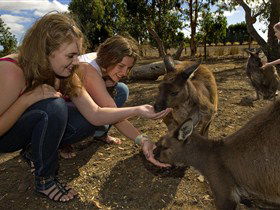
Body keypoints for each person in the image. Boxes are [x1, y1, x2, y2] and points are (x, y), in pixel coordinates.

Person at [0, 13, 171, 203]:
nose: (77, 62)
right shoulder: (12, 71)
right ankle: (45, 179)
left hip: (27, 128)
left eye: (78, 54)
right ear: (47, 50)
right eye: (71, 55)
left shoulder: (66, 73)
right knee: (54, 106)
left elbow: (96, 114)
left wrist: (139, 117)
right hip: (6, 137)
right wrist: (27, 99)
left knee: (83, 117)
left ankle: (35, 150)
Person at [59, 35, 156, 160]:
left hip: (75, 102)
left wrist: (108, 81)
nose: (124, 73)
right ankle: (62, 142)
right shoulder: (88, 69)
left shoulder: (102, 61)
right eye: (121, 66)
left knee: (121, 89)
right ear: (109, 58)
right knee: (91, 120)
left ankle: (101, 133)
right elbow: (113, 113)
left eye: (128, 68)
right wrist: (142, 140)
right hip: (61, 113)